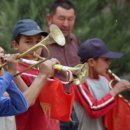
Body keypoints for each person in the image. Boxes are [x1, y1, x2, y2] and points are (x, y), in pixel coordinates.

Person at [11, 19, 60, 130]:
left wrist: (56, 74)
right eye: (28, 42)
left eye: (38, 41)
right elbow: (27, 102)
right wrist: (44, 75)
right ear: (15, 45)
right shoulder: (14, 70)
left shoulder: (43, 68)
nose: (36, 47)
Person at [72, 38, 130, 130]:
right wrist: (115, 90)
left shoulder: (106, 79)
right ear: (91, 62)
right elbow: (93, 110)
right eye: (106, 59)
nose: (109, 62)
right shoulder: (79, 83)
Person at [41, 0, 80, 129]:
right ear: (49, 19)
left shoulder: (74, 40)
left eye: (70, 19)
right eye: (61, 18)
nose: (66, 24)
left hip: (75, 108)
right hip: (52, 109)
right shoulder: (40, 43)